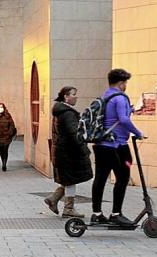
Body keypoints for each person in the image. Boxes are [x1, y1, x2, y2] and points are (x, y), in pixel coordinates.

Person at [91, 68, 143, 226]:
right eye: (125, 82)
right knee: (123, 177)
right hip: (117, 145)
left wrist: (129, 111)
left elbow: (113, 117)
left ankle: (97, 213)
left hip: (101, 145)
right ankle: (116, 213)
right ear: (121, 83)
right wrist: (138, 133)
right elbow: (123, 119)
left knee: (100, 178)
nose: (125, 85)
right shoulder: (120, 98)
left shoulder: (106, 96)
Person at [44, 86, 93, 218]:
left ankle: (53, 199)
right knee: (71, 180)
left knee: (67, 179)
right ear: (66, 96)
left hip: (62, 152)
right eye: (73, 94)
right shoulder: (67, 114)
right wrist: (84, 150)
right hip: (68, 153)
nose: (76, 97)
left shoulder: (61, 112)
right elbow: (74, 134)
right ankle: (68, 208)